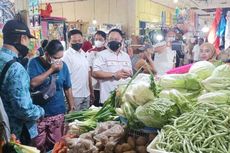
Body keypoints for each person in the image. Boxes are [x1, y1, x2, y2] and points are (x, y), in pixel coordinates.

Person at [0, 19, 44, 144]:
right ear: (22, 38)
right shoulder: (16, 68)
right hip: (16, 135)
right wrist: (40, 111)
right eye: (28, 40)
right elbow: (24, 110)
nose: (28, 44)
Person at [28, 40, 74, 153]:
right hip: (39, 114)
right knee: (37, 146)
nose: (58, 61)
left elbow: (67, 87)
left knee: (57, 146)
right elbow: (33, 83)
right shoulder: (34, 63)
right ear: (47, 54)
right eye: (55, 57)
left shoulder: (64, 66)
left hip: (57, 112)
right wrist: (52, 69)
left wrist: (71, 106)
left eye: (60, 58)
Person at [93, 29, 132, 104]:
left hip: (124, 99)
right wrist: (114, 75)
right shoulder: (101, 55)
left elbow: (130, 73)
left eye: (116, 39)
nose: (113, 41)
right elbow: (95, 73)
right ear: (107, 40)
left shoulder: (126, 56)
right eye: (111, 39)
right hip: (107, 99)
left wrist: (128, 73)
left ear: (121, 40)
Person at [63, 29, 93, 110]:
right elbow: (65, 80)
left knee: (84, 121)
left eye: (79, 40)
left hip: (86, 94)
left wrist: (91, 91)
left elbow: (88, 73)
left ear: (83, 39)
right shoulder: (66, 56)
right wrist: (70, 100)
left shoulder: (83, 53)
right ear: (69, 41)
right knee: (73, 121)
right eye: (74, 41)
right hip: (74, 96)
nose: (77, 43)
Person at [88, 31, 107, 106]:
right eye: (96, 39)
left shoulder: (108, 52)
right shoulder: (90, 52)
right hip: (94, 87)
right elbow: (89, 71)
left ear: (105, 40)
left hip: (106, 86)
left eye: (100, 39)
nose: (98, 41)